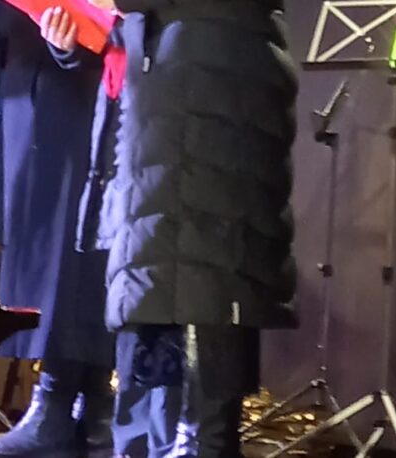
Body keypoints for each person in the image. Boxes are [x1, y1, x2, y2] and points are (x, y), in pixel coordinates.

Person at [102, 0, 298, 455]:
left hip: (207, 75)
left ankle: (192, 439)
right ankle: (164, 441)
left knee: (205, 279)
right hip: (179, 71)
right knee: (164, 280)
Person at [0, 1, 113, 457]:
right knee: (47, 248)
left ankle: (71, 403)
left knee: (77, 248)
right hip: (30, 83)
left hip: (91, 84)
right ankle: (77, 406)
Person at [36, 5, 181, 456]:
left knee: (159, 315)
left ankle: (158, 442)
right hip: (120, 151)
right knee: (131, 305)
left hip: (169, 155)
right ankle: (128, 440)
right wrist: (69, 46)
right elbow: (108, 57)